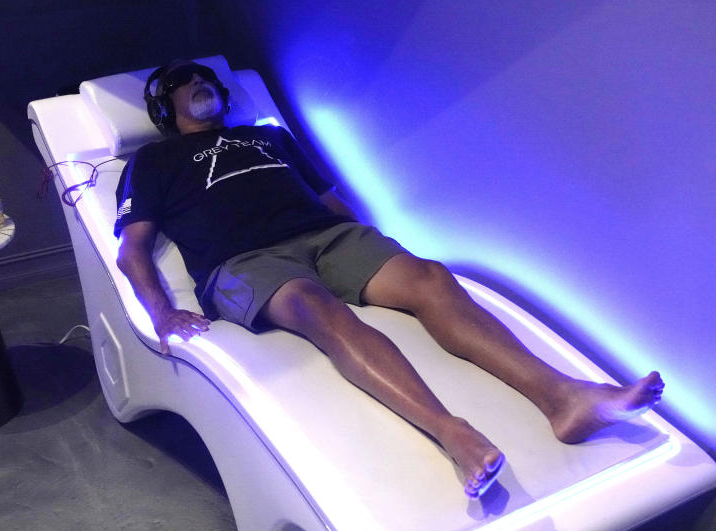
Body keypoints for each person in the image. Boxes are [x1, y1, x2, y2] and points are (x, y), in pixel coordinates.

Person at [114, 60, 664, 498]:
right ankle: (452, 433)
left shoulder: (270, 138)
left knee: (429, 278)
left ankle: (565, 397)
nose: (199, 84)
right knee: (317, 308)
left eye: (205, 78)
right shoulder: (154, 162)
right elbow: (132, 249)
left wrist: (371, 247)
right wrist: (161, 314)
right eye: (185, 83)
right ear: (165, 105)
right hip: (242, 262)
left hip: (326, 237)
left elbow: (331, 201)